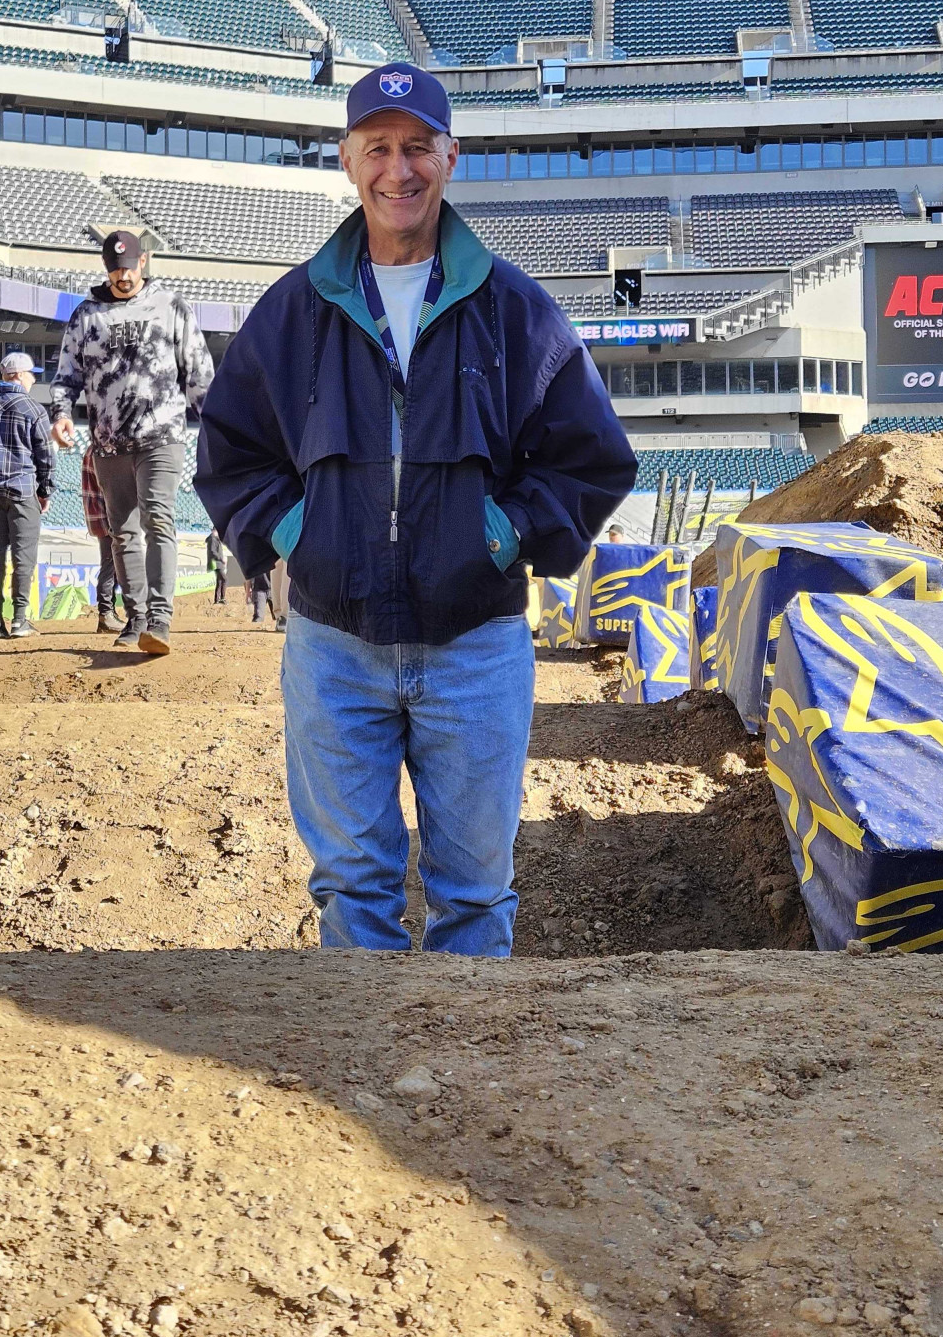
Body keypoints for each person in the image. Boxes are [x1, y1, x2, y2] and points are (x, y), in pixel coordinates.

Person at [196, 62, 636, 957]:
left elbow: (591, 455)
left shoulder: (515, 308)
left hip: (474, 649)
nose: (399, 170)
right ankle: (356, 1084)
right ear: (350, 162)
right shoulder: (294, 310)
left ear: (451, 158)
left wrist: (504, 532)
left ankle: (469, 1092)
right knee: (352, 891)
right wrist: (293, 534)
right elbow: (231, 448)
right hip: (334, 648)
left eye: (417, 149)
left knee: (474, 896)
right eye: (379, 149)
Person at [50, 229, 214, 656]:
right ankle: (136, 616)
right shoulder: (86, 316)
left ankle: (160, 617)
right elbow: (66, 375)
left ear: (143, 262)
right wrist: (62, 416)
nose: (122, 276)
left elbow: (197, 371)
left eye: (129, 267)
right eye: (114, 269)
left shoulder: (171, 306)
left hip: (162, 435)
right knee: (122, 532)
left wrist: (215, 420)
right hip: (108, 442)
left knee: (158, 518)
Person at [0, 350, 55, 640]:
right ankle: (19, 619)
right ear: (18, 376)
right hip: (22, 490)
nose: (32, 379)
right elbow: (46, 457)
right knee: (23, 557)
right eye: (31, 374)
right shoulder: (33, 409)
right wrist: (45, 491)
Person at [81, 443, 122, 633]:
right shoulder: (103, 451)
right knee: (109, 566)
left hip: (98, 516)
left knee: (110, 566)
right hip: (108, 517)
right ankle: (106, 613)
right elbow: (110, 487)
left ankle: (108, 613)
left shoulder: (92, 450)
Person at [207, 528, 228, 605]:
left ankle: (217, 600)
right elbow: (213, 551)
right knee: (224, 579)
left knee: (219, 581)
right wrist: (221, 558)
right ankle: (222, 598)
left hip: (218, 563)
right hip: (216, 563)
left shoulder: (215, 539)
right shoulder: (213, 538)